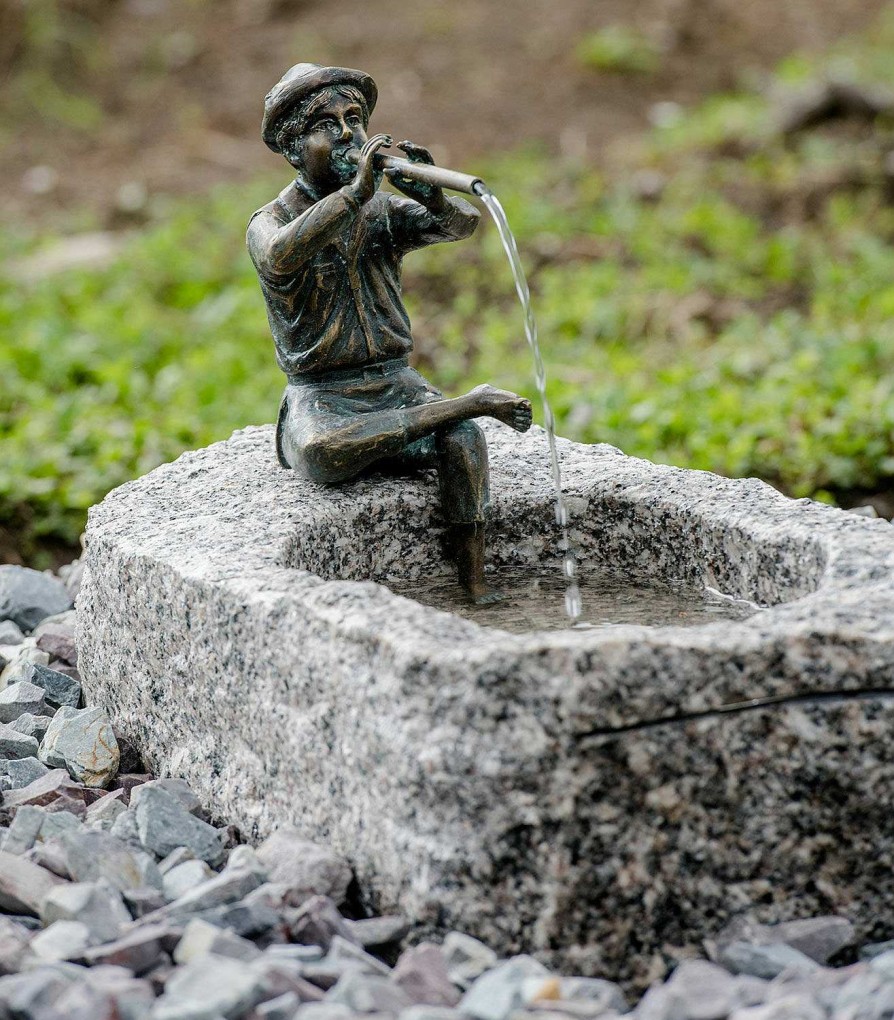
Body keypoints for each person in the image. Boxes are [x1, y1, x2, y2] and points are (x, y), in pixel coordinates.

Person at [247, 63, 532, 603]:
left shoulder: (379, 207)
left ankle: (475, 585)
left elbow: (462, 225)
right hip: (324, 397)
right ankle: (467, 402)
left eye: (353, 119)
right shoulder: (272, 219)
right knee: (321, 452)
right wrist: (355, 194)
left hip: (394, 382)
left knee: (465, 443)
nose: (346, 134)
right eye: (325, 124)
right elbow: (280, 254)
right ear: (290, 147)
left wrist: (430, 196)